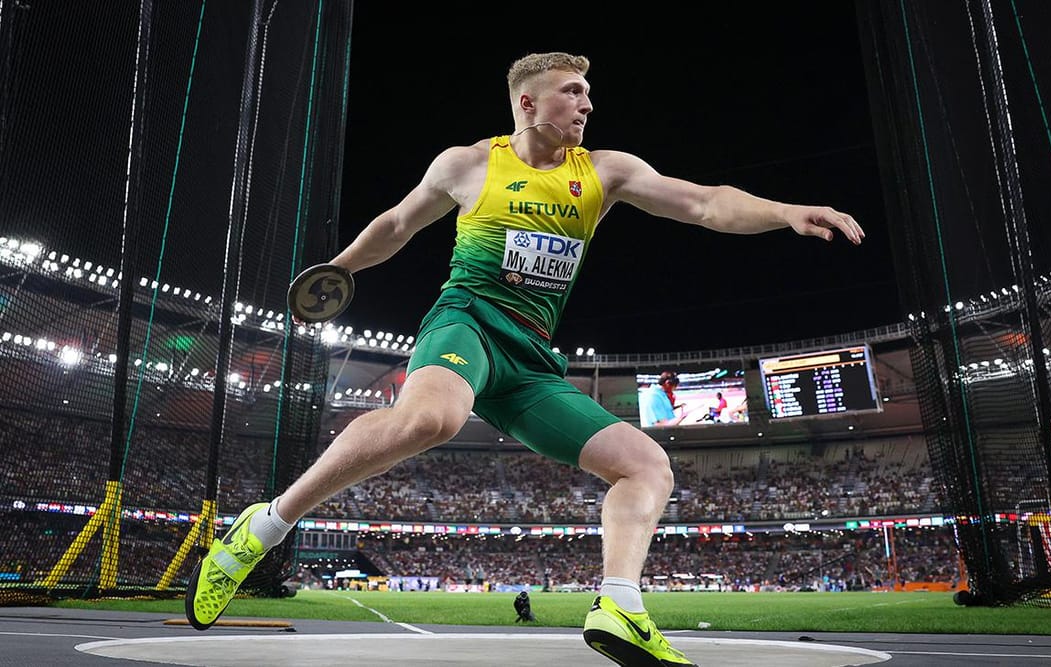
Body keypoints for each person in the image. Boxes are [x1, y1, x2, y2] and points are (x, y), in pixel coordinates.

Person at [185, 51, 864, 666]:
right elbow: (396, 223)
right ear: (528, 104)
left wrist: (785, 210)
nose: (588, 104)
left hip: (531, 361)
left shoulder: (604, 171)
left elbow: (707, 203)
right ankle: (265, 525)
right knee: (432, 420)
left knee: (646, 464)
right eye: (573, 91)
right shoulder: (469, 164)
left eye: (589, 93)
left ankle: (621, 605)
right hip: (467, 324)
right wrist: (338, 268)